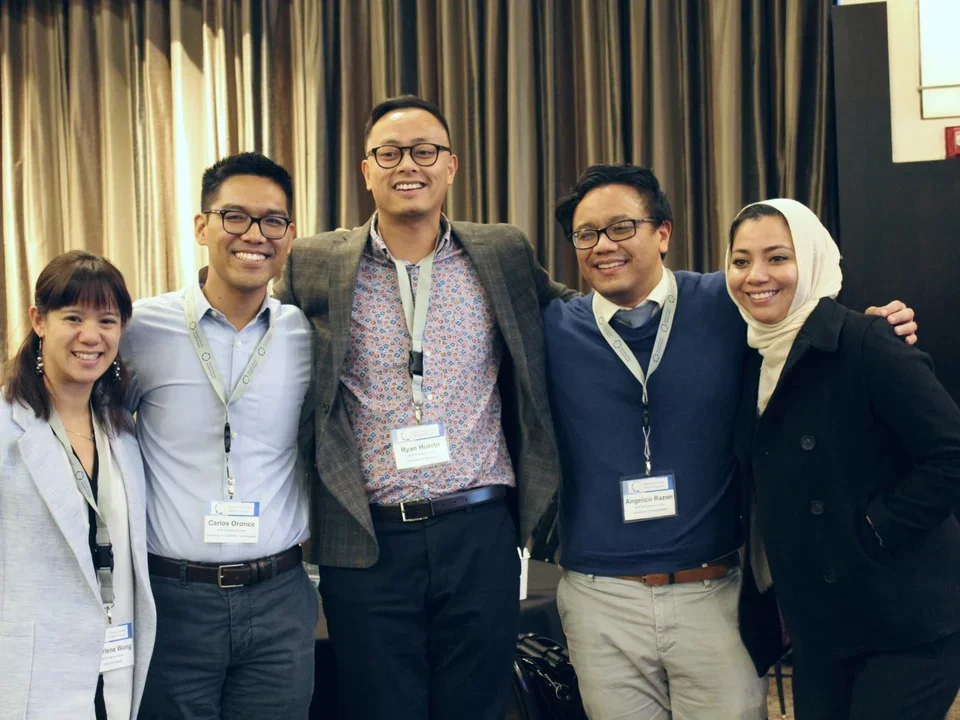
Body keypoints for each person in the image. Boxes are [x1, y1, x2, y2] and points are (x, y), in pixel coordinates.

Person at [541, 164, 917, 720]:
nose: (603, 246)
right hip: (598, 598)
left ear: (662, 233)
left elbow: (811, 314)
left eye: (622, 227)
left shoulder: (727, 301)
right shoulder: (553, 326)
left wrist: (878, 323)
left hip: (711, 589)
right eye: (586, 234)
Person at [273, 95, 573, 719]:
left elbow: (574, 315)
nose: (407, 164)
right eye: (389, 152)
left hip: (480, 528)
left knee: (479, 706)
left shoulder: (501, 252)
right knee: (382, 707)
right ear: (366, 170)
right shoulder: (316, 262)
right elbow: (260, 334)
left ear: (451, 165)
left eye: (424, 151)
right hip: (367, 537)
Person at [726, 198, 960, 720]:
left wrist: (878, 527)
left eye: (777, 258)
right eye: (740, 260)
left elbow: (951, 452)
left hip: (905, 618)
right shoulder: (747, 354)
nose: (756, 275)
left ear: (810, 261)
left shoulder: (866, 340)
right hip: (821, 625)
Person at [122, 153, 317, 719]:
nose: (253, 235)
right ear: (202, 226)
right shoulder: (139, 330)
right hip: (174, 599)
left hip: (280, 596)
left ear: (289, 234)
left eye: (272, 221)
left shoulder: (305, 335)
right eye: (235, 217)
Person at [0, 250, 156, 718]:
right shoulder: (8, 429)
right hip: (30, 672)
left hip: (112, 669)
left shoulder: (122, 432)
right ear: (39, 321)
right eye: (73, 317)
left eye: (107, 320)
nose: (91, 336)